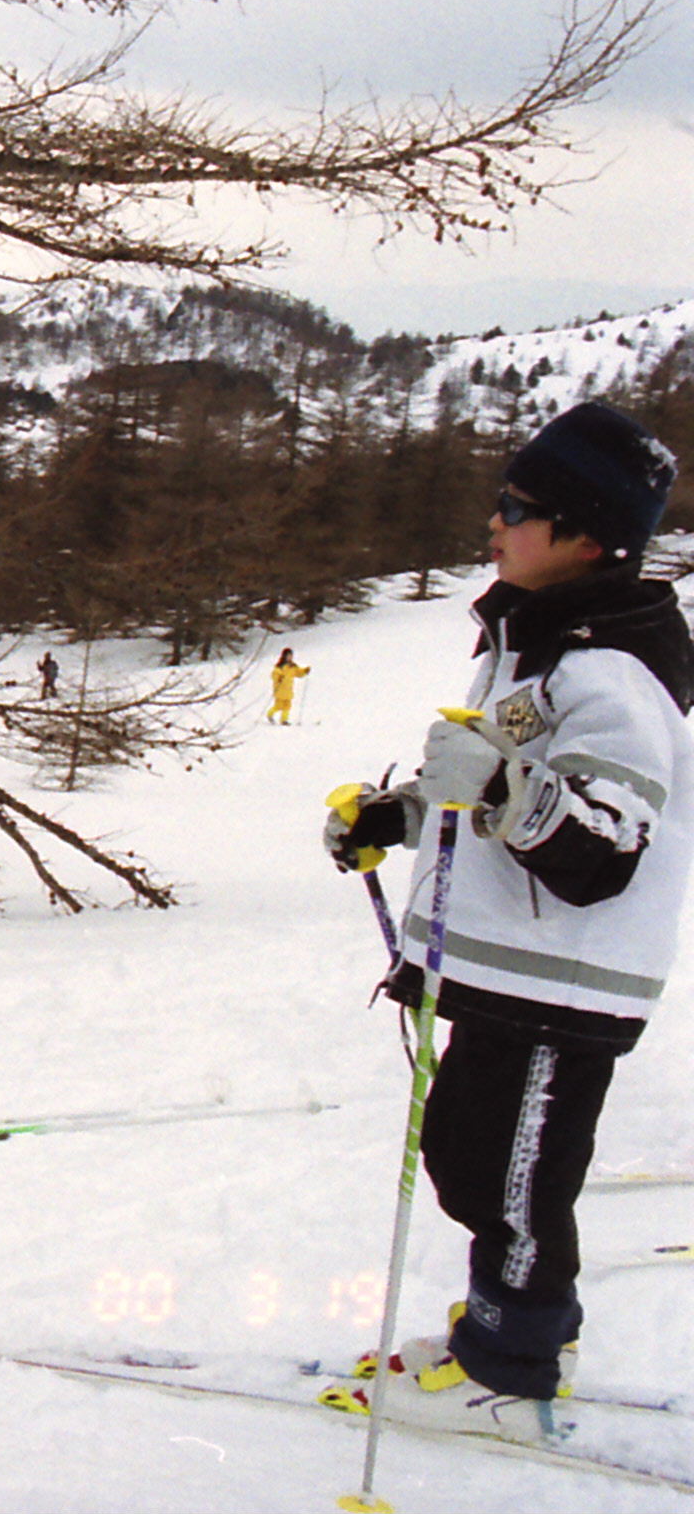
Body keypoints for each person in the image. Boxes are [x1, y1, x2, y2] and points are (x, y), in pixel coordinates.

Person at [322, 402, 690, 1442]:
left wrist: (494, 785)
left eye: (519, 506)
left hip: (563, 977)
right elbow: (487, 792)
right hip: (508, 970)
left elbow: (599, 848)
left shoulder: (610, 671)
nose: (495, 519)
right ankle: (517, 1327)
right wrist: (396, 815)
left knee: (513, 1181)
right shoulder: (531, 645)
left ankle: (511, 1369)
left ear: (587, 536)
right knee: (469, 1155)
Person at [267, 646, 310, 725]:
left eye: (291, 656)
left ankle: (284, 720)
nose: (290, 657)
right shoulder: (280, 666)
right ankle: (270, 714)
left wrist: (304, 671)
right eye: (288, 656)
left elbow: (298, 673)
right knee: (279, 705)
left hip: (288, 690)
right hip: (280, 690)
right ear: (284, 656)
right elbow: (274, 674)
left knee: (287, 706)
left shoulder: (293, 666)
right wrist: (279, 677)